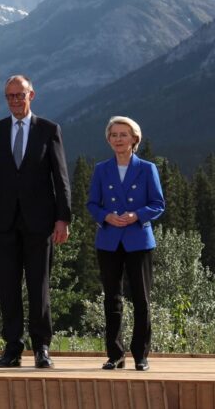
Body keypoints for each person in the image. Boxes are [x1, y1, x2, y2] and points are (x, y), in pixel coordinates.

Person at [0, 75, 71, 369]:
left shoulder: (49, 130)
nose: (15, 100)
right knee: (7, 287)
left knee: (39, 287)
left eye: (20, 94)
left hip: (40, 223)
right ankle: (12, 348)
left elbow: (61, 178)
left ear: (32, 95)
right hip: (3, 222)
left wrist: (63, 218)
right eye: (10, 96)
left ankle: (42, 348)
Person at [87, 116, 164, 372]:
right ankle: (115, 355)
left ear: (134, 139)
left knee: (141, 299)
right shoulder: (101, 169)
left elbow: (158, 204)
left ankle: (141, 355)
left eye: (123, 134)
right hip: (109, 240)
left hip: (138, 240)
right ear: (108, 140)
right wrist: (105, 216)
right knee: (112, 299)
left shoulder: (147, 168)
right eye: (114, 135)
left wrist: (136, 215)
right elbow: (92, 204)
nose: (118, 139)